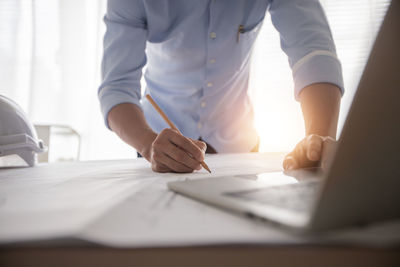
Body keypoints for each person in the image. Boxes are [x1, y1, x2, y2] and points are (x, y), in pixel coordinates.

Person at [98, 0, 344, 173]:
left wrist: (319, 138)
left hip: (241, 145)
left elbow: (313, 52)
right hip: (158, 145)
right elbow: (117, 86)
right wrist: (148, 144)